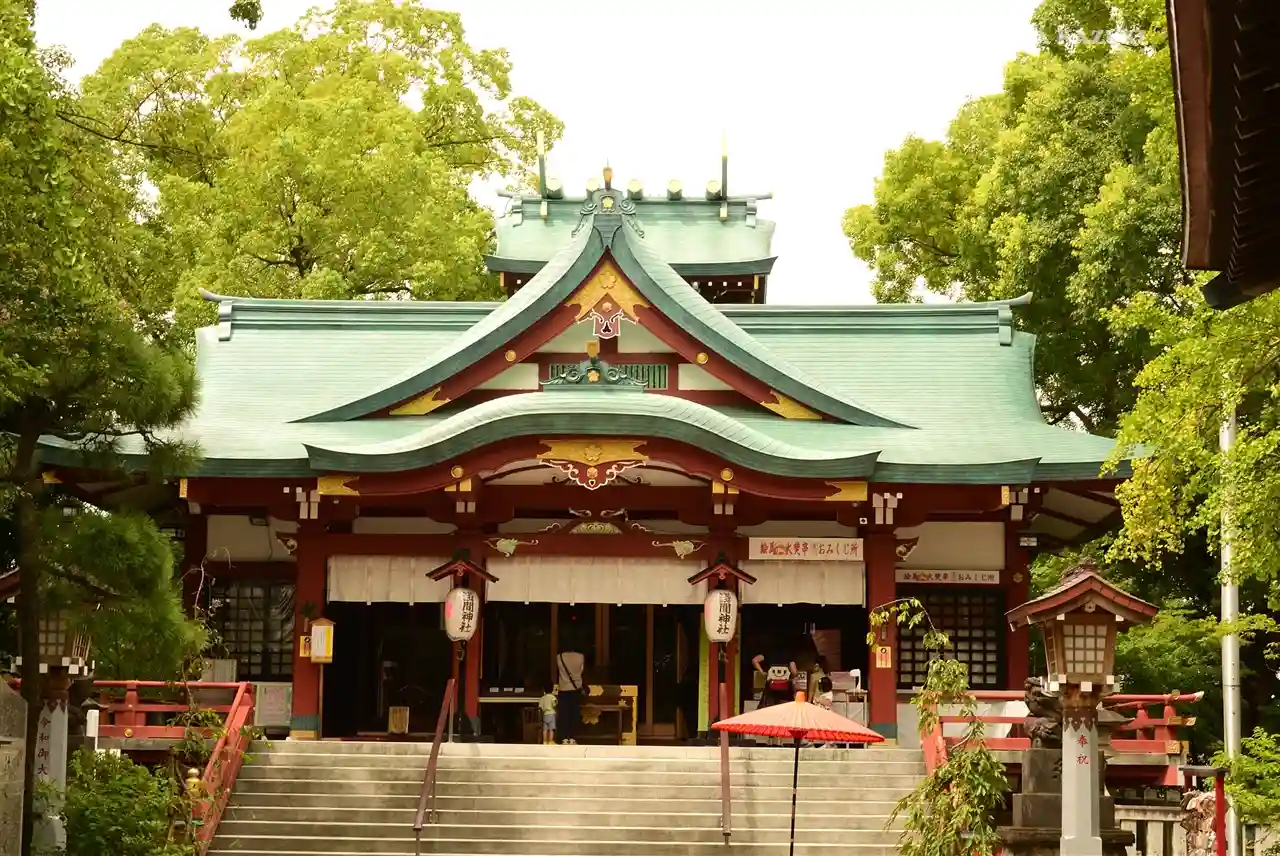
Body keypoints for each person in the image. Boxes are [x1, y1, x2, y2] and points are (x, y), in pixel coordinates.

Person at [752, 637, 797, 709]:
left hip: (770, 689)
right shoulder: (789, 655)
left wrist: (762, 672)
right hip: (785, 691)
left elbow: (754, 660)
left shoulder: (768, 653)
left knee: (768, 707)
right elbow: (794, 672)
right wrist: (791, 676)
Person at [557, 646, 586, 744]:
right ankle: (573, 737)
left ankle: (565, 738)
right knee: (574, 714)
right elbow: (580, 671)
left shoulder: (559, 657)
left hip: (563, 688)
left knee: (564, 714)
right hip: (575, 689)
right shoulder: (580, 656)